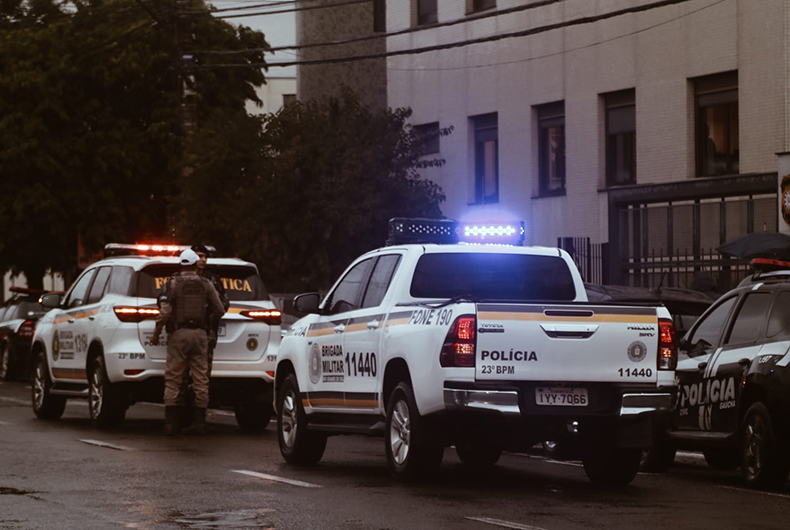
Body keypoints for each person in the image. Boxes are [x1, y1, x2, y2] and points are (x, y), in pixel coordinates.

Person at [152, 248, 225, 435]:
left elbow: (165, 312)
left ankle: (170, 423)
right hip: (200, 335)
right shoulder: (206, 284)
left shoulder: (173, 284)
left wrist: (156, 332)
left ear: (181, 264)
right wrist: (206, 323)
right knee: (201, 379)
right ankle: (199, 422)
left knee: (173, 379)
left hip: (178, 335)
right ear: (194, 264)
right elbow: (220, 310)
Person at [191, 244, 230, 375]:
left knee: (203, 374)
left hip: (206, 331)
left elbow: (224, 303)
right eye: (200, 256)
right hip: (183, 331)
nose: (203, 260)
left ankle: (200, 396)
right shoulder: (180, 278)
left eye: (205, 257)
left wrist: (210, 316)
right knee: (181, 375)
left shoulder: (212, 279)